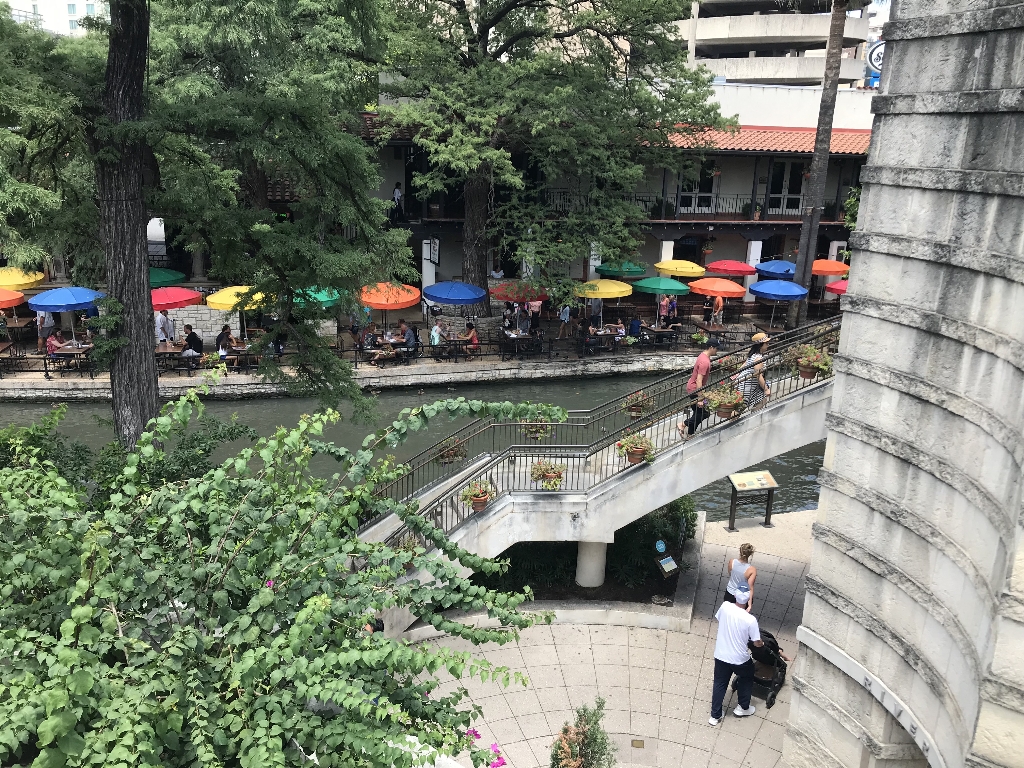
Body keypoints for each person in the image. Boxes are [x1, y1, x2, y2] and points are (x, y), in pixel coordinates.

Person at [709, 590, 763, 725]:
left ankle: (715, 716)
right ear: (749, 600)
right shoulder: (750, 620)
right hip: (739, 659)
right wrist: (761, 643)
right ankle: (743, 707)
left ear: (734, 596)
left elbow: (720, 619)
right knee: (747, 676)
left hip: (721, 655)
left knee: (719, 683)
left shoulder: (725, 606)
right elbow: (757, 642)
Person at [678, 338, 720, 438]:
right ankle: (683, 424)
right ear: (711, 347)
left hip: (693, 388)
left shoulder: (702, 355)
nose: (717, 351)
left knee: (698, 413)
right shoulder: (705, 362)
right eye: (716, 348)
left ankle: (690, 434)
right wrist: (700, 398)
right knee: (703, 414)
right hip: (695, 389)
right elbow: (699, 380)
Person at [736, 332, 771, 411]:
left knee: (762, 399)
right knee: (739, 409)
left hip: (748, 385)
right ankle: (734, 420)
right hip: (747, 387)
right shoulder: (758, 359)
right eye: (766, 343)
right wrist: (766, 389)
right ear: (761, 345)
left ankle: (754, 415)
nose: (768, 345)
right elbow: (758, 375)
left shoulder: (752, 355)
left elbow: (743, 366)